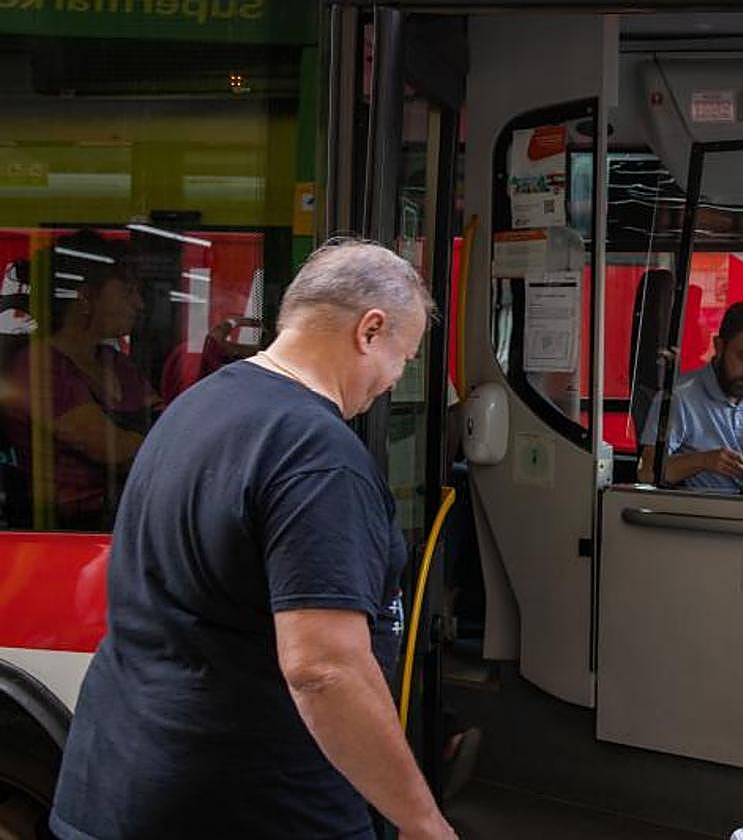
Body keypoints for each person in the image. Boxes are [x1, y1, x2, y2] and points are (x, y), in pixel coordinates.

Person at [50, 239, 456, 839]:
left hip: (114, 787)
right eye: (404, 357)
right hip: (251, 805)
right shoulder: (317, 457)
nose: (393, 381)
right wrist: (423, 823)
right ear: (369, 331)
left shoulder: (197, 408)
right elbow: (325, 668)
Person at [2, 229, 161, 530]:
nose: (139, 304)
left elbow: (165, 420)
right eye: (128, 291)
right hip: (64, 533)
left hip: (122, 522)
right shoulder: (41, 368)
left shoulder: (116, 363)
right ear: (86, 297)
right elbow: (112, 449)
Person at [637, 301, 743, 492]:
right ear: (719, 346)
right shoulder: (678, 398)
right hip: (701, 514)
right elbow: (646, 472)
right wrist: (704, 461)